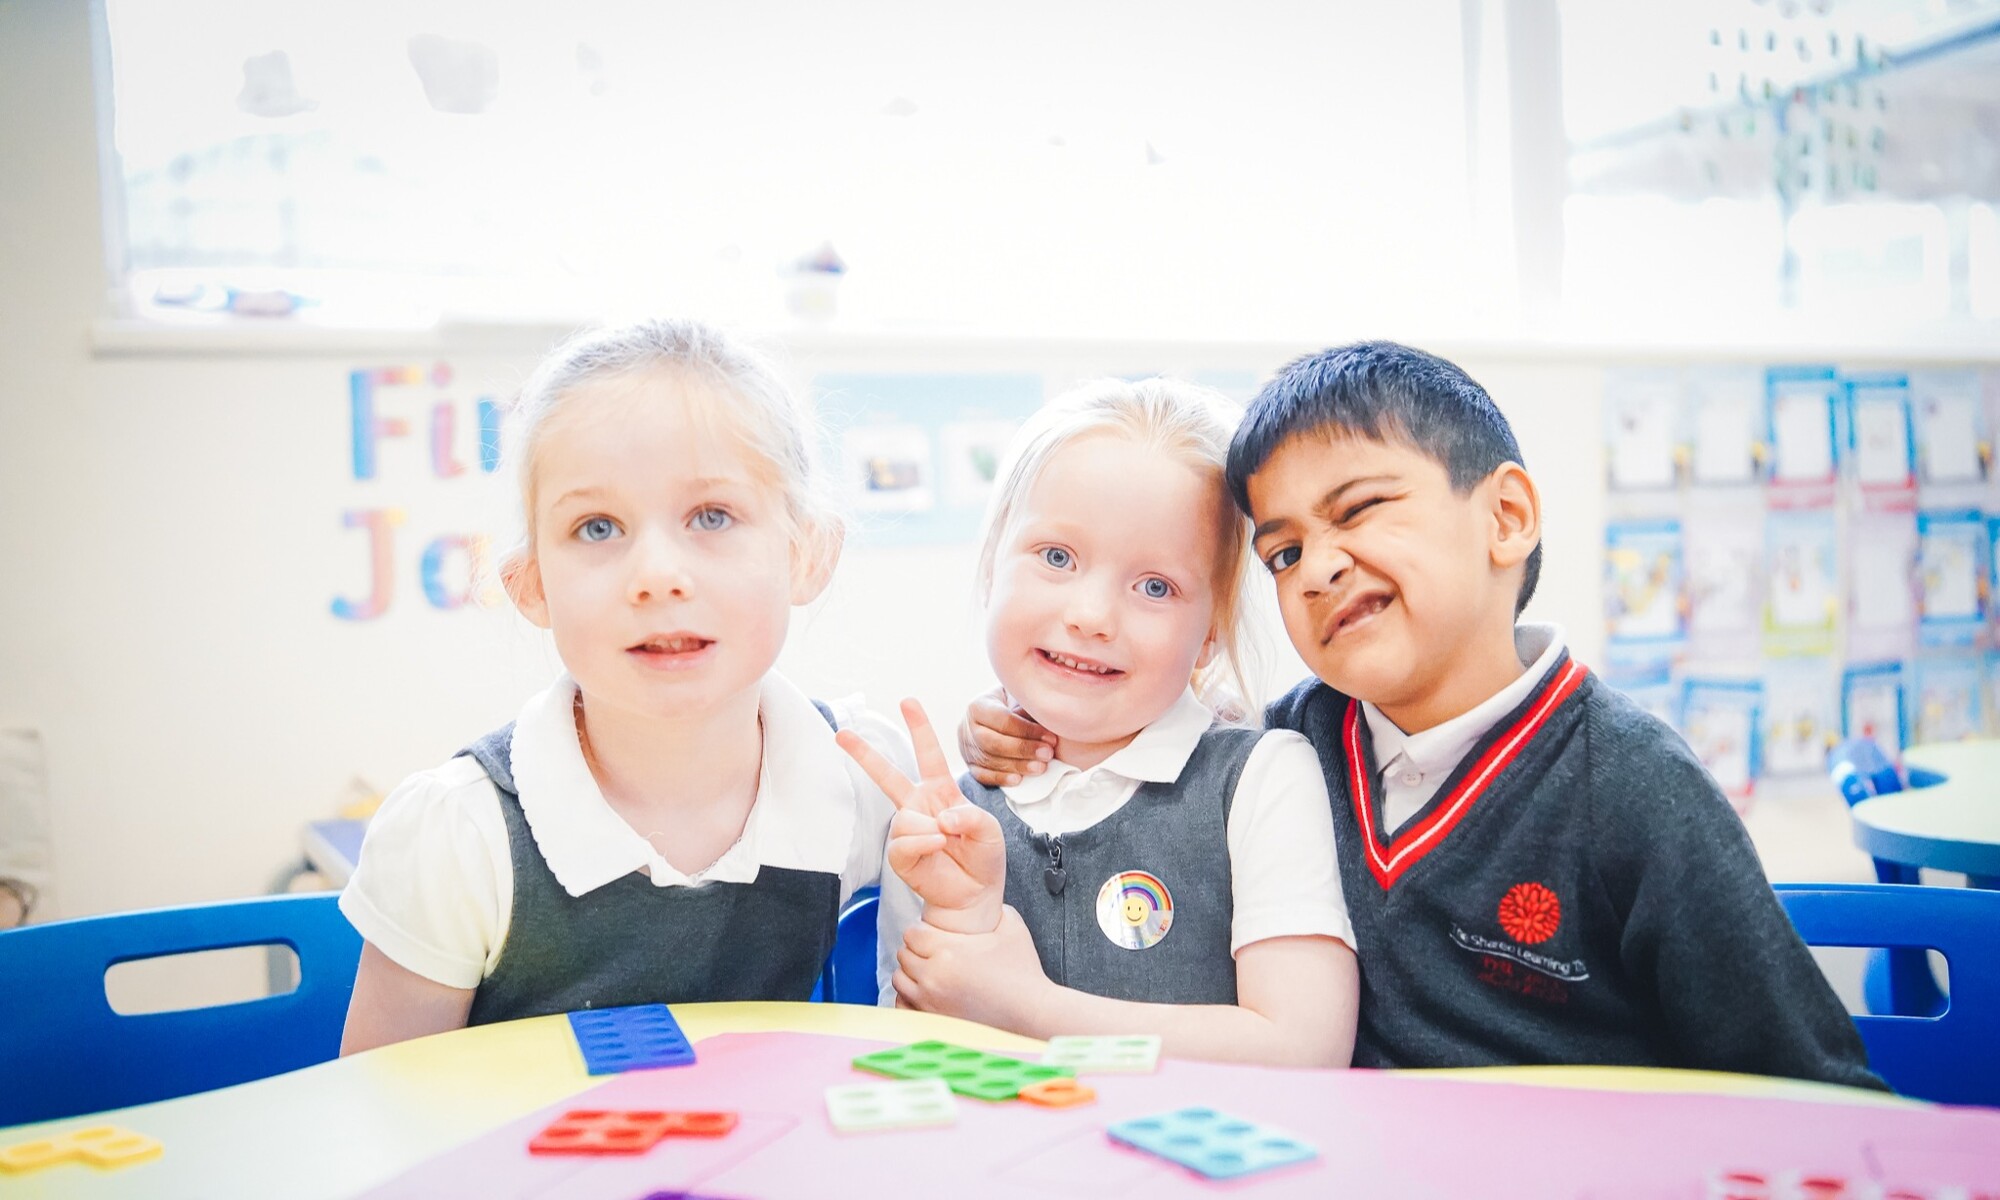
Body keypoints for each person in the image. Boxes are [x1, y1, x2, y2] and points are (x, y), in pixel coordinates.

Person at [965, 342, 1881, 1088]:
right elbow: (1144, 720)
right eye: (1283, 554)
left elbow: (1816, 1090)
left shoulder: (1634, 785)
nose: (1317, 567)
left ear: (1507, 517)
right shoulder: (1292, 741)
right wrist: (1020, 727)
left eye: (1358, 510)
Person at [339, 319, 908, 1053]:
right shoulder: (459, 836)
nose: (658, 576)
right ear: (530, 586)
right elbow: (386, 1112)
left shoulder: (865, 778)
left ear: (807, 554)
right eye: (598, 528)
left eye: (711, 516)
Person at [842, 378, 1359, 1067]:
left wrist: (1029, 1008)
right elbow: (917, 1059)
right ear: (994, 563)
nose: (1091, 615)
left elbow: (1305, 1051)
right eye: (1057, 557)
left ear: (1210, 631)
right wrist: (963, 921)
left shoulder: (1262, 778)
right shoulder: (945, 815)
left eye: (1155, 586)